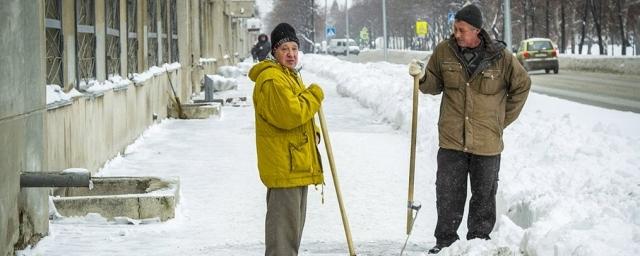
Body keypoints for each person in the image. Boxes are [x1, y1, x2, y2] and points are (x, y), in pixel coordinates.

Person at [408, 4, 531, 254]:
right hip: (452, 140)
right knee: (448, 195)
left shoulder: (501, 57)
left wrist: (500, 121)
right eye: (454, 28)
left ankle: (478, 244)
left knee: (484, 198)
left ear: (476, 30)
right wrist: (420, 77)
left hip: (487, 143)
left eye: (461, 29)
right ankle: (445, 243)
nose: (456, 33)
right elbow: (433, 83)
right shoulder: (444, 51)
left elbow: (522, 85)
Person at [248, 22, 325, 256]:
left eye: (294, 48)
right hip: (285, 166)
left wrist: (313, 131)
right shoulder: (272, 80)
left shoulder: (289, 76)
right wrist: (315, 95)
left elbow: (296, 112)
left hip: (295, 163)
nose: (291, 54)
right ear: (274, 51)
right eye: (284, 49)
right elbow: (290, 115)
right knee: (282, 240)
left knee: (291, 235)